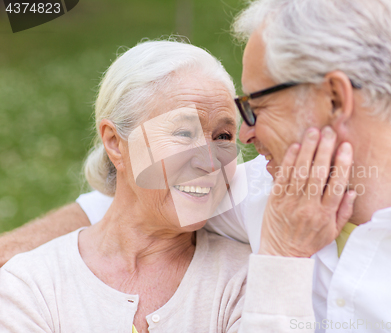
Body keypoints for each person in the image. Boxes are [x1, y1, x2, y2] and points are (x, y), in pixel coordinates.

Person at [2, 0, 391, 332]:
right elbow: (126, 203)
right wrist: (14, 252)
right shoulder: (258, 189)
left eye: (255, 106)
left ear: (333, 97)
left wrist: (282, 252)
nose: (244, 136)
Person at [0, 39, 352, 332]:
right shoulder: (30, 285)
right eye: (184, 133)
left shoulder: (243, 278)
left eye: (224, 136)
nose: (211, 163)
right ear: (114, 143)